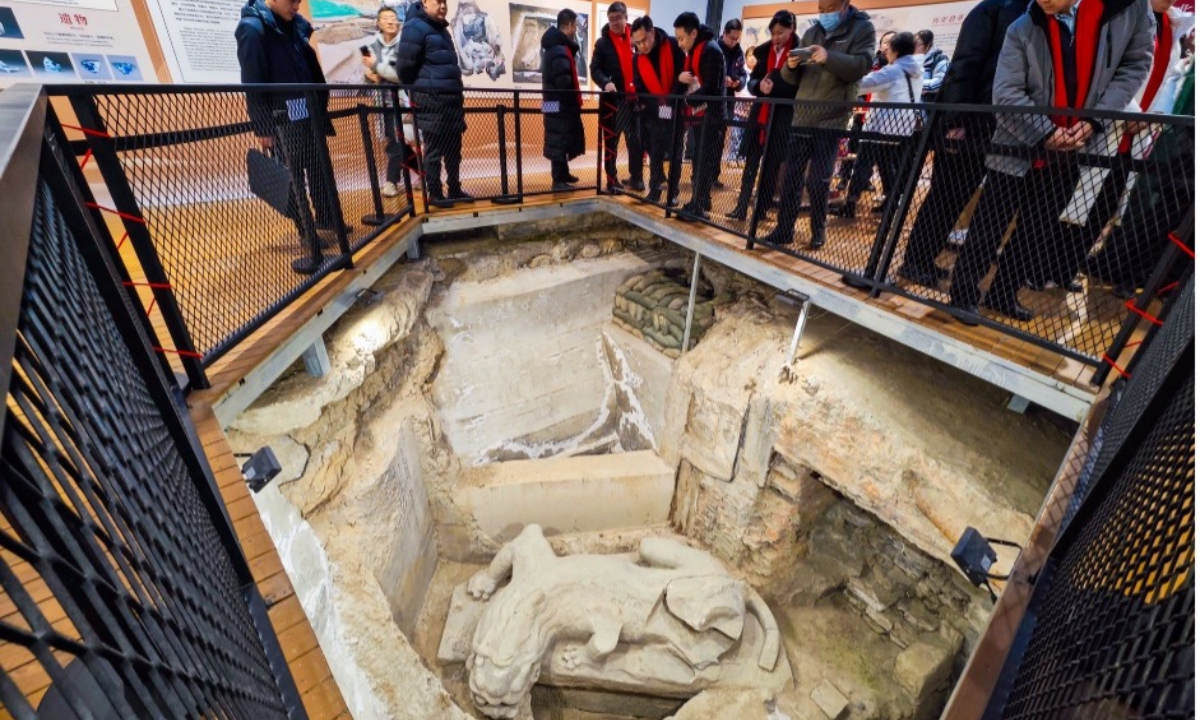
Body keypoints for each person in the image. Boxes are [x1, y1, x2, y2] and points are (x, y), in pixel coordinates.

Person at [947, 0, 1154, 321]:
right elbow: (1006, 94)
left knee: (1035, 229)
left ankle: (1003, 293)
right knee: (988, 225)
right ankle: (962, 291)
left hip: (1076, 148)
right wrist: (1046, 132)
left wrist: (1092, 122)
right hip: (1017, 145)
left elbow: (1133, 67)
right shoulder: (1022, 26)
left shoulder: (1124, 11)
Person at [895, 0, 1026, 288]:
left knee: (956, 196)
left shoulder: (1012, 11)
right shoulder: (991, 10)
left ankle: (922, 258)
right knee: (946, 196)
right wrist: (955, 121)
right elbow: (964, 66)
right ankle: (915, 261)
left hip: (988, 121)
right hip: (969, 121)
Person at [236, 0, 347, 275]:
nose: (297, 5)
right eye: (292, 0)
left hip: (307, 110)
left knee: (320, 169)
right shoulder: (253, 29)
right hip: (283, 116)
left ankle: (326, 217)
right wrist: (263, 127)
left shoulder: (291, 26)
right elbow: (253, 83)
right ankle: (307, 231)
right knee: (293, 177)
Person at [760, 0, 874, 249]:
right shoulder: (812, 32)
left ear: (844, 5)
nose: (824, 15)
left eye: (829, 9)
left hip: (831, 118)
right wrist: (790, 67)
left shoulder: (862, 29)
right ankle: (784, 229)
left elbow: (862, 66)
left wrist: (829, 57)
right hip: (802, 114)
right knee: (791, 177)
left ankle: (817, 231)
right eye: (821, 10)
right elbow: (792, 78)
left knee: (819, 180)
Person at [397, 0, 473, 208]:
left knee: (453, 150)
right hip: (431, 101)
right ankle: (436, 194)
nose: (442, 6)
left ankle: (455, 190)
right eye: (437, 1)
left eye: (444, 2)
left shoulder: (440, 29)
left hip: (450, 102)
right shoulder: (415, 27)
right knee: (434, 151)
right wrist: (421, 92)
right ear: (424, 2)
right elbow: (404, 69)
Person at [838, 31, 923, 216]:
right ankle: (891, 204)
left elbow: (861, 85)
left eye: (889, 46)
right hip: (903, 126)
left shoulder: (893, 70)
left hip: (881, 125)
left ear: (895, 50)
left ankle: (850, 205)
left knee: (863, 164)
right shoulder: (916, 70)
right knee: (887, 166)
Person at [727, 10, 799, 221]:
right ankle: (741, 207)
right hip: (760, 115)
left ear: (791, 29)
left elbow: (798, 87)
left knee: (771, 165)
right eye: (773, 33)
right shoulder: (764, 51)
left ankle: (761, 210)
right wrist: (760, 86)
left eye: (780, 32)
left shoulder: (798, 53)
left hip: (782, 118)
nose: (776, 37)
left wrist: (774, 87)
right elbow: (752, 82)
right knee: (751, 163)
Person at [673, 12, 726, 220]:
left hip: (711, 115)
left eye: (681, 38)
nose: (679, 43)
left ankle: (699, 206)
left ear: (694, 33)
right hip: (700, 113)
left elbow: (712, 86)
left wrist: (689, 100)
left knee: (704, 161)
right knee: (698, 159)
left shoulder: (710, 51)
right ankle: (699, 202)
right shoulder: (695, 51)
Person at [631, 15, 686, 206]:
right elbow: (639, 87)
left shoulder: (671, 45)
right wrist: (655, 105)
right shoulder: (637, 58)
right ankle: (654, 190)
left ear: (652, 33)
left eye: (644, 40)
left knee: (676, 153)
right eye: (637, 43)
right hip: (654, 113)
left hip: (676, 109)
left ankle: (673, 193)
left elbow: (682, 76)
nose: (642, 46)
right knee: (655, 152)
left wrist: (670, 100)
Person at [363, 5, 416, 199]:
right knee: (395, 140)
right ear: (378, 23)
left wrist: (377, 68)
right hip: (383, 103)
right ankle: (418, 176)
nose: (391, 21)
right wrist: (370, 76)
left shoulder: (405, 46)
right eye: (386, 18)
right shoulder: (370, 47)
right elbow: (369, 76)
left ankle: (392, 181)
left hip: (404, 101)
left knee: (402, 140)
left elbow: (400, 75)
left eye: (394, 18)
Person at [591, 2, 644, 192]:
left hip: (634, 101)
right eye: (611, 19)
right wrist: (605, 82)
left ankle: (637, 178)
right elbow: (594, 69)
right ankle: (612, 180)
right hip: (612, 101)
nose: (614, 22)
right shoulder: (603, 43)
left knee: (636, 141)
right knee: (611, 142)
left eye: (618, 18)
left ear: (625, 17)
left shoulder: (637, 39)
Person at [541, 9, 586, 190]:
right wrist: (571, 101)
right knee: (559, 138)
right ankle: (558, 180)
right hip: (560, 103)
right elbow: (563, 81)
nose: (575, 29)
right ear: (568, 25)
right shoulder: (560, 49)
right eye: (574, 25)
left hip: (553, 102)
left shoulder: (555, 47)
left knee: (558, 137)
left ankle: (562, 174)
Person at [914, 30, 949, 101]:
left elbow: (940, 83)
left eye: (916, 44)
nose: (913, 48)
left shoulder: (940, 59)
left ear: (928, 45)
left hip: (927, 107)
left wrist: (914, 84)